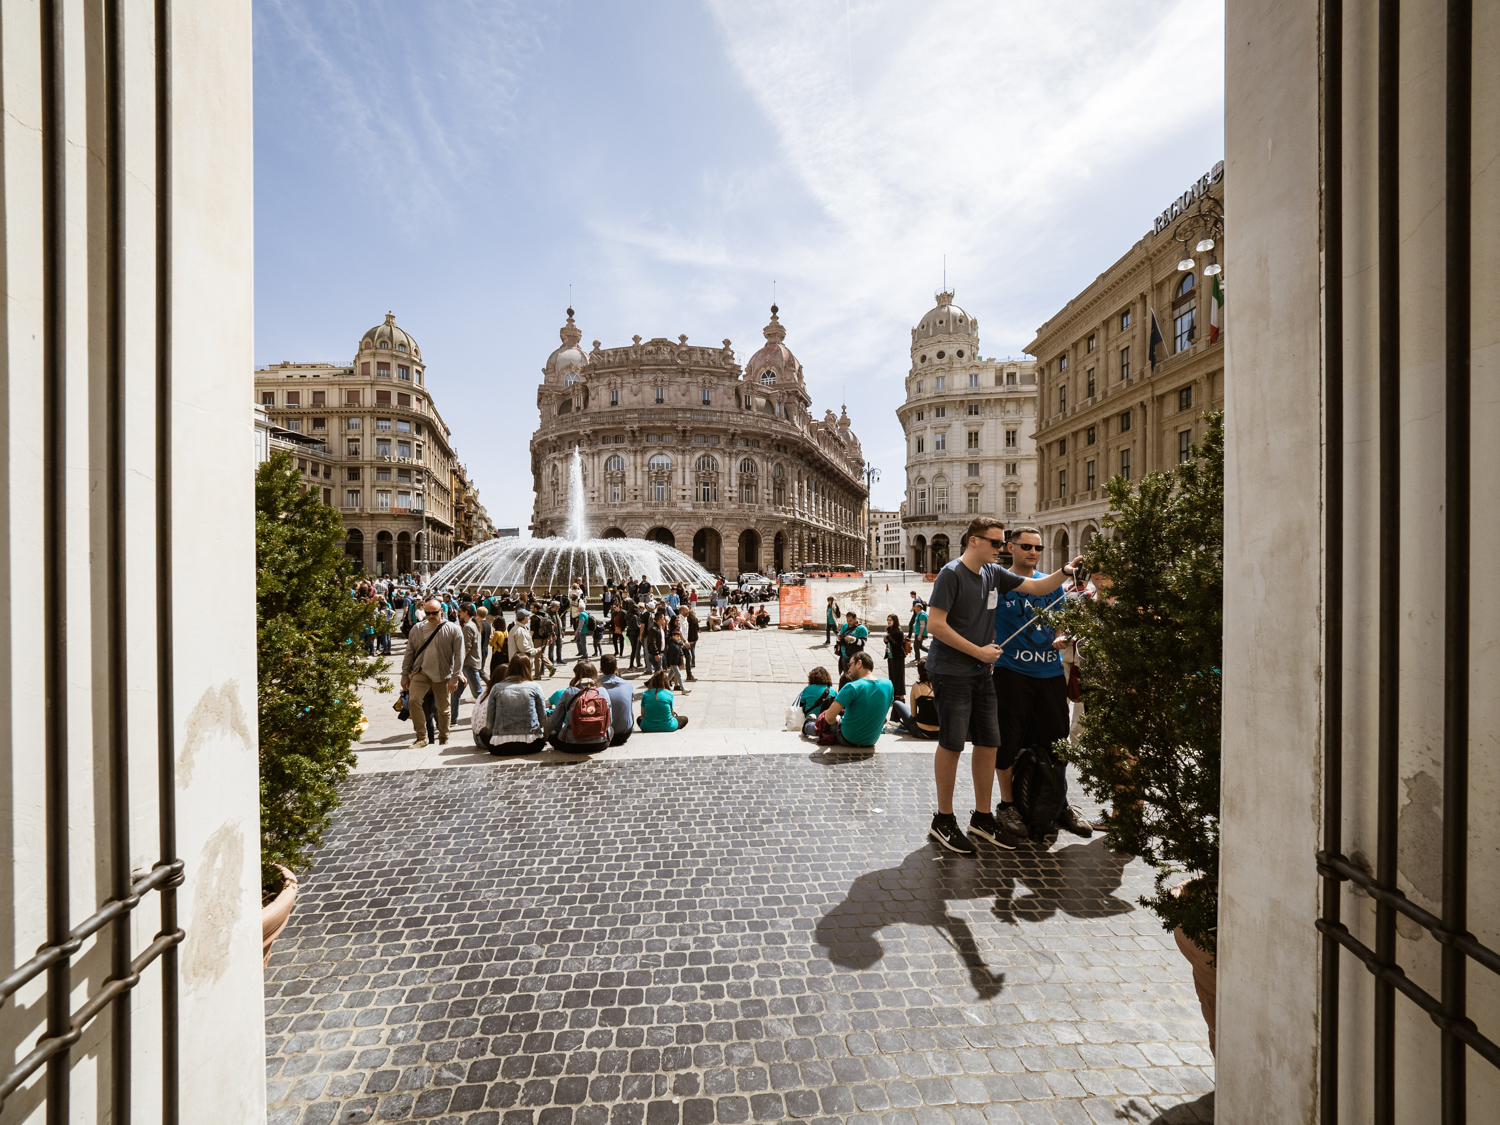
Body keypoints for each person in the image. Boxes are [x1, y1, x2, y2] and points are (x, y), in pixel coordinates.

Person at [923, 516, 1085, 855]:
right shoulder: (951, 575)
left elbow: (1039, 588)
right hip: (953, 670)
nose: (1001, 549)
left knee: (989, 742)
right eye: (996, 543)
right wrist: (978, 651)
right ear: (973, 541)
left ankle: (982, 816)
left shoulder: (993, 573)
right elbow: (935, 626)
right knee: (952, 743)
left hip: (981, 671)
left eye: (1002, 543)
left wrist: (1066, 571)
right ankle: (944, 819)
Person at [991, 527, 1095, 839]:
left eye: (1037, 547)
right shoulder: (997, 582)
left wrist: (1063, 638)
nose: (1033, 552)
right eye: (1026, 546)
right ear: (1010, 547)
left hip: (1049, 676)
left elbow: (1062, 625)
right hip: (1011, 674)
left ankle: (1058, 803)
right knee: (1007, 744)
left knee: (1058, 743)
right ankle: (1007, 804)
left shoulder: (1054, 587)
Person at [399, 600, 463, 748]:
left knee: (443, 709)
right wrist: (404, 674)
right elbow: (409, 652)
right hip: (421, 672)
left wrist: (455, 677)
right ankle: (421, 737)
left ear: (441, 610)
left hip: (443, 674)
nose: (430, 616)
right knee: (414, 701)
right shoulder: (417, 629)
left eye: (434, 613)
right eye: (427, 613)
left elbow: (459, 655)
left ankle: (443, 738)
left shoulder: (453, 629)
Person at [802, 652, 893, 749]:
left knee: (824, 726)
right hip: (871, 740)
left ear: (859, 663)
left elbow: (829, 718)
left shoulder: (852, 687)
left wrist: (837, 719)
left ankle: (807, 726)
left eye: (850, 665)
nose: (848, 670)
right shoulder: (888, 685)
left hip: (848, 738)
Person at [476, 654, 547, 755]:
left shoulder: (496, 688)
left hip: (500, 747)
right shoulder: (535, 687)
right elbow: (543, 720)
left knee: (483, 731)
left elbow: (489, 724)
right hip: (532, 745)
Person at [544, 662, 613, 753]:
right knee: (611, 729)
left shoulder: (570, 692)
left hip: (573, 744)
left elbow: (555, 722)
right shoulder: (602, 691)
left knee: (553, 735)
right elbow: (610, 721)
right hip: (600, 744)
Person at [889, 660, 940, 739]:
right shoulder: (940, 686)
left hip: (921, 731)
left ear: (919, 672)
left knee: (897, 703)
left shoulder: (916, 687)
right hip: (939, 732)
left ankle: (894, 724)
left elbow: (913, 714)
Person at [451, 604, 484, 723]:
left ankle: (491, 716)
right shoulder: (474, 624)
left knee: (479, 694)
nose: (458, 613)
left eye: (460, 611)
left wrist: (457, 664)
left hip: (468, 664)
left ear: (466, 612)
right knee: (455, 693)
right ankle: (452, 719)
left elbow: (465, 648)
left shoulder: (468, 626)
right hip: (470, 663)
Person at [597, 654, 635, 748]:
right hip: (624, 734)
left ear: (601, 669)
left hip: (602, 735)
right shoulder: (627, 684)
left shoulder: (595, 686)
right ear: (616, 669)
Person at [883, 614, 907, 701]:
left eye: (891, 620)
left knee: (899, 676)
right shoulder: (889, 630)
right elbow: (890, 643)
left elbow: (897, 645)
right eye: (888, 620)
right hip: (890, 656)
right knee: (892, 675)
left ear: (895, 621)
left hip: (898, 656)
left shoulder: (899, 632)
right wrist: (886, 641)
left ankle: (900, 695)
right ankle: (894, 694)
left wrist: (888, 638)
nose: (889, 621)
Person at [836, 611, 868, 675]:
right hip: (844, 654)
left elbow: (863, 643)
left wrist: (853, 639)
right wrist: (839, 637)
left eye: (850, 621)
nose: (849, 623)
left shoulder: (862, 628)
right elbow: (840, 635)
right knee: (845, 674)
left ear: (855, 618)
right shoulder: (845, 625)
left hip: (855, 656)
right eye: (847, 620)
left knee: (854, 675)